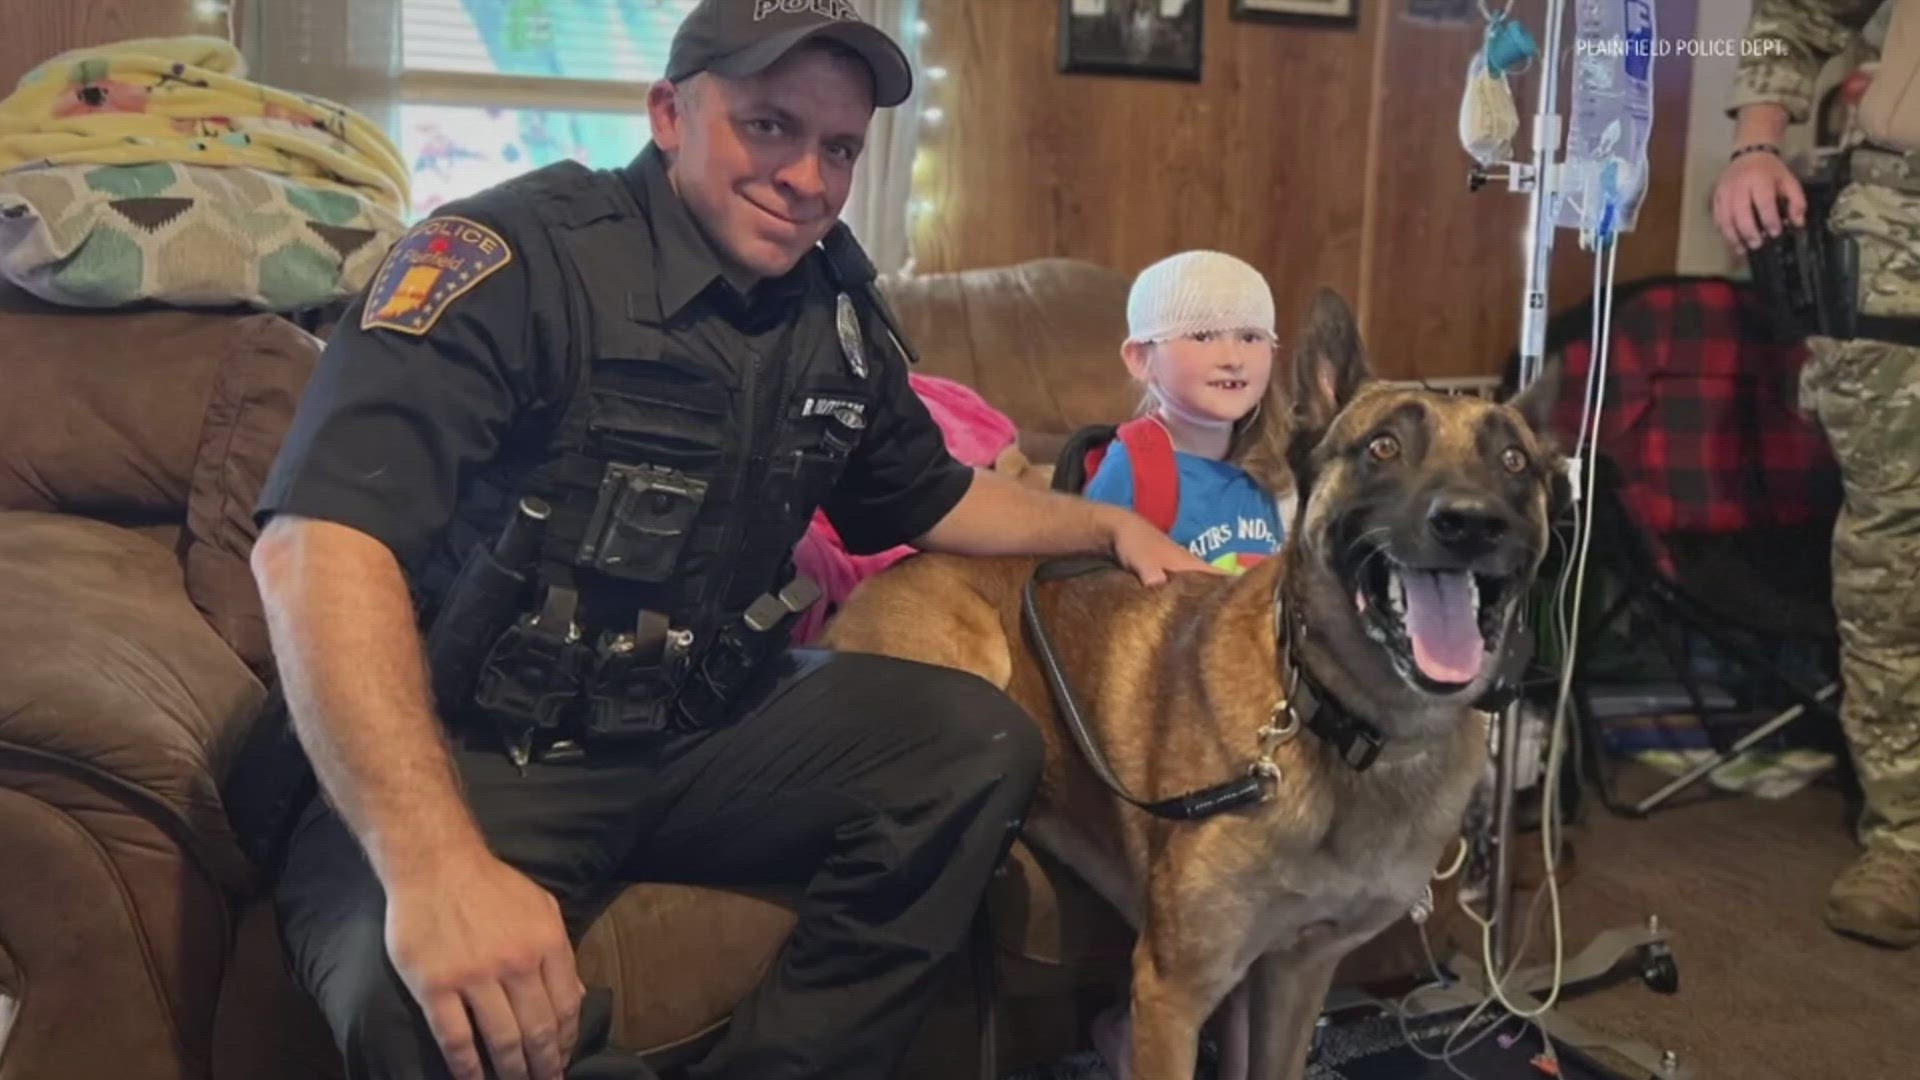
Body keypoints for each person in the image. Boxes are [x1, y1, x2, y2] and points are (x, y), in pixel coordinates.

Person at [244, 3, 1220, 1080]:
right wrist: (433, 868)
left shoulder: (832, 312)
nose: (807, 176)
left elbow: (931, 493)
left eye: (839, 147)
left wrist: (1108, 523)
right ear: (670, 112)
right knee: (421, 1005)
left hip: (702, 727)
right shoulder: (507, 262)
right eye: (768, 127)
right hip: (477, 741)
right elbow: (316, 548)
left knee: (973, 742)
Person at [1713, 0, 1920, 949]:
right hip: (1902, 240)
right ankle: (1906, 843)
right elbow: (1794, 12)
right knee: (1894, 571)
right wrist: (1755, 145)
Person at [1082, 250, 1293, 575]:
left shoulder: (1284, 467)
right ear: (1140, 358)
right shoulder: (1129, 471)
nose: (1233, 359)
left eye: (1250, 337)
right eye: (1203, 335)